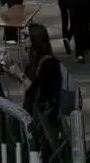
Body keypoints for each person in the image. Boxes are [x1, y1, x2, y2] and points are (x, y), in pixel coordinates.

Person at [23, 22, 82, 160]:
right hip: (35, 116)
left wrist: (20, 76)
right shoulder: (33, 61)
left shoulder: (49, 63)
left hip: (45, 118)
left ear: (35, 40)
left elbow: (40, 90)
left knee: (47, 151)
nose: (23, 39)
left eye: (26, 36)